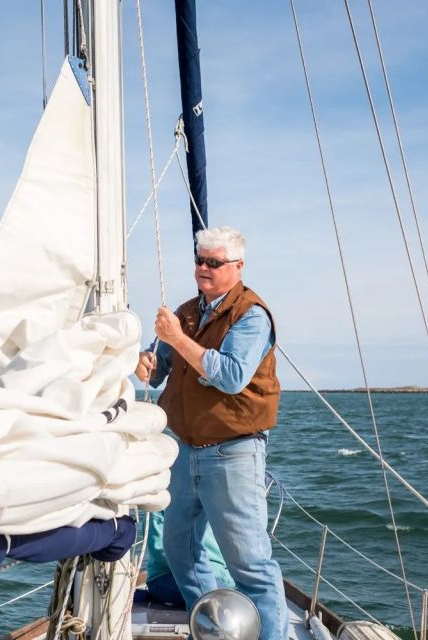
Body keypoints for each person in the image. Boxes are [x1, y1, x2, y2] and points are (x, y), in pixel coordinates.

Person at [135, 225, 287, 640]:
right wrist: (146, 362)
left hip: (232, 452)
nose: (203, 268)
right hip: (183, 449)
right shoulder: (185, 313)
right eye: (200, 260)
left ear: (237, 266)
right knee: (180, 551)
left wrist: (177, 339)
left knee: (251, 565)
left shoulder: (252, 315)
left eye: (214, 262)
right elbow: (161, 365)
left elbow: (232, 376)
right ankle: (220, 629)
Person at [144, 510, 234, 607]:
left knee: (241, 597)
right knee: (230, 600)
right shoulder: (161, 501)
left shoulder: (215, 503)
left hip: (221, 576)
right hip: (168, 576)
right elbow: (159, 551)